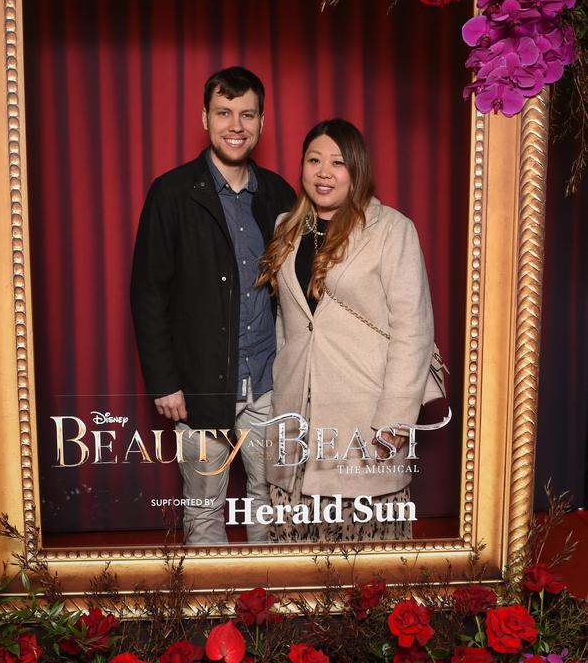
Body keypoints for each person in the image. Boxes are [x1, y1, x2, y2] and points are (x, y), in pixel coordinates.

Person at [130, 66, 295, 545]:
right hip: (200, 386)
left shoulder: (280, 195)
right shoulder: (172, 193)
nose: (235, 125)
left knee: (271, 501)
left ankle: (267, 616)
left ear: (262, 123)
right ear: (205, 118)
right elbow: (148, 293)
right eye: (224, 113)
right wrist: (164, 381)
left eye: (247, 114)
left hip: (268, 382)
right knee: (204, 512)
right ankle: (215, 616)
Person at [257, 119, 434, 542]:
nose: (323, 172)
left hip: (363, 418)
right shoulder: (287, 226)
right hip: (296, 419)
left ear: (357, 170)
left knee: (366, 565)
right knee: (297, 564)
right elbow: (288, 322)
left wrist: (393, 421)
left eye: (337, 162)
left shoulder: (391, 229)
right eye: (314, 160)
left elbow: (414, 330)